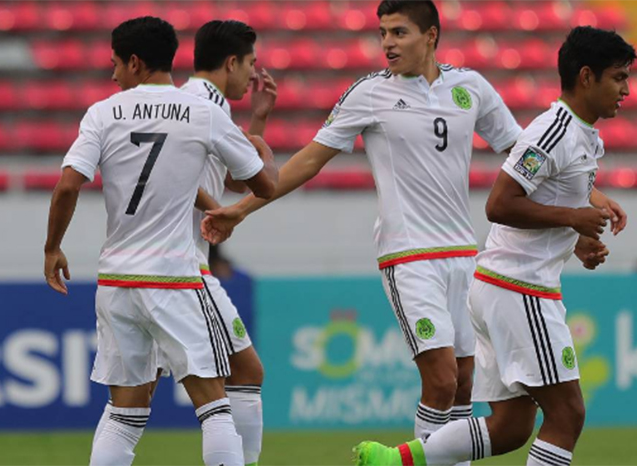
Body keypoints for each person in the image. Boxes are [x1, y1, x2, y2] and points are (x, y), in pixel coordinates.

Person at [203, 0, 522, 447]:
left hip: (464, 255)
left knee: (465, 383)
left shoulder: (470, 87)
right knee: (442, 379)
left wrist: (588, 196)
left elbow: (523, 152)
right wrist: (241, 208)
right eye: (383, 33)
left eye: (399, 32)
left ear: (431, 35)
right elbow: (309, 160)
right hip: (409, 257)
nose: (387, 43)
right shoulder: (369, 93)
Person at [354, 25, 634, 466]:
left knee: (510, 427)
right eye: (618, 77)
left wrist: (577, 237)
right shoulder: (554, 132)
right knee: (567, 414)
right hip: (520, 290)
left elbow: (545, 202)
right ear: (586, 76)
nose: (626, 90)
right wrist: (572, 218)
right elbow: (499, 204)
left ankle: (395, 461)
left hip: (503, 286)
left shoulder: (579, 135)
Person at [43, 16, 277, 466]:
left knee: (124, 413)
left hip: (116, 281)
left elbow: (68, 185)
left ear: (134, 62)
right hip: (174, 277)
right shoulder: (201, 111)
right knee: (214, 406)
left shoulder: (102, 112)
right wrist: (261, 152)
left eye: (115, 63)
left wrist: (52, 248)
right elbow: (263, 185)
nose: (114, 73)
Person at [172, 19, 277, 466]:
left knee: (129, 405)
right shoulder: (201, 106)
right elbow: (261, 180)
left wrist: (259, 118)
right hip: (182, 263)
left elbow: (235, 176)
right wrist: (219, 209)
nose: (252, 73)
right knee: (242, 374)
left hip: (169, 261)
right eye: (250, 63)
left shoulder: (197, 102)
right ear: (231, 62)